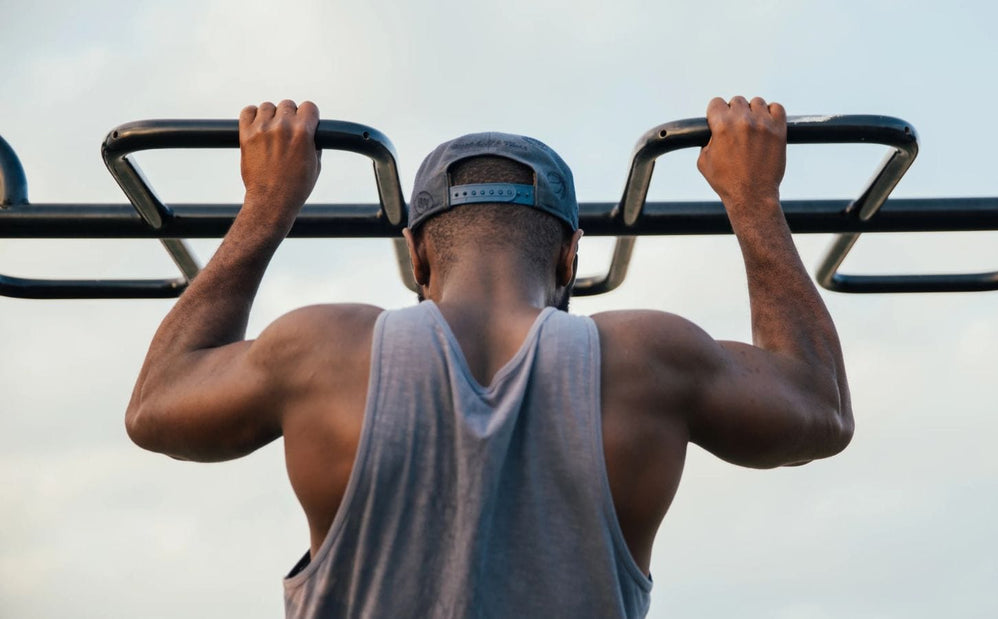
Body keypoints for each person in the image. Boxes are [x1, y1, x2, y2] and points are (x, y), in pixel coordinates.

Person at [124, 96, 854, 618]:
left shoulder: (324, 352)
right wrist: (754, 198)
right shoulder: (648, 361)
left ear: (417, 257)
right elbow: (819, 407)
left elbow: (156, 405)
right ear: (570, 258)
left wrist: (266, 205)